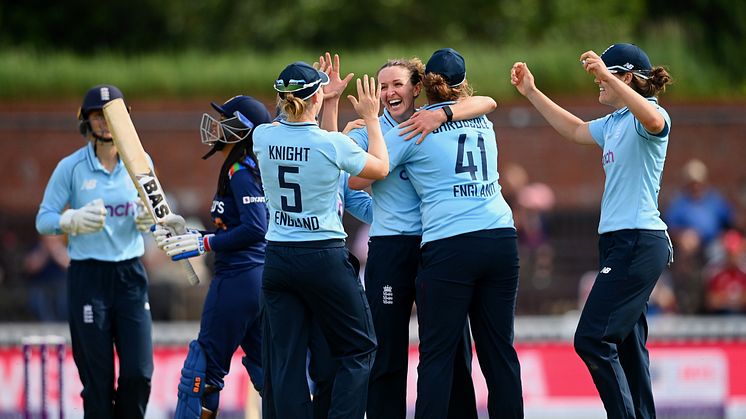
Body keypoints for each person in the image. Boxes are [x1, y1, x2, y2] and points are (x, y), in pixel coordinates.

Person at [511, 43, 674, 419]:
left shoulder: (650, 116)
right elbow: (575, 128)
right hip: (619, 242)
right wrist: (533, 92)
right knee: (629, 346)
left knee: (592, 338)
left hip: (638, 240)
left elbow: (653, 120)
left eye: (605, 77)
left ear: (627, 78)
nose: (597, 85)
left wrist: (609, 79)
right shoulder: (615, 122)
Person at [346, 56, 497, 419]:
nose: (388, 92)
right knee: (387, 351)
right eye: (382, 86)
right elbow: (349, 188)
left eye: (396, 84)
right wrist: (381, 215)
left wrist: (444, 114)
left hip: (438, 247)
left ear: (417, 88)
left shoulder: (435, 121)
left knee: (450, 350)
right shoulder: (366, 132)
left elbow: (487, 102)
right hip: (391, 251)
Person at [383, 48, 523, 419]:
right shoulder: (480, 117)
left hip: (450, 245)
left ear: (423, 85)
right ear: (463, 85)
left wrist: (364, 125)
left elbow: (365, 174)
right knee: (499, 354)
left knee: (438, 357)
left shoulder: (413, 126)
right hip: (500, 238)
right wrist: (447, 110)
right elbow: (486, 101)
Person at [253, 61, 388, 419]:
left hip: (279, 258)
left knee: (286, 362)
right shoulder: (333, 144)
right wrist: (372, 119)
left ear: (281, 97)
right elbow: (380, 167)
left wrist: (326, 103)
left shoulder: (262, 136)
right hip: (323, 257)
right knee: (359, 349)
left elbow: (307, 142)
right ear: (314, 97)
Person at [35, 84, 155, 418]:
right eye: (96, 115)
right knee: (97, 382)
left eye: (110, 115)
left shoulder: (141, 162)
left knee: (139, 373)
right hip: (89, 277)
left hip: (130, 275)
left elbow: (156, 217)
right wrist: (71, 220)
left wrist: (149, 221)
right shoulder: (71, 168)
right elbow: (44, 220)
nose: (104, 122)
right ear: (86, 121)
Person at [153, 95, 271, 418]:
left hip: (237, 279)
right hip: (259, 282)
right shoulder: (247, 167)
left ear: (243, 131)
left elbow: (255, 227)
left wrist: (204, 242)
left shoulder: (240, 170)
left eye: (225, 121)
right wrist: (193, 234)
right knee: (269, 374)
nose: (217, 127)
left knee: (202, 373)